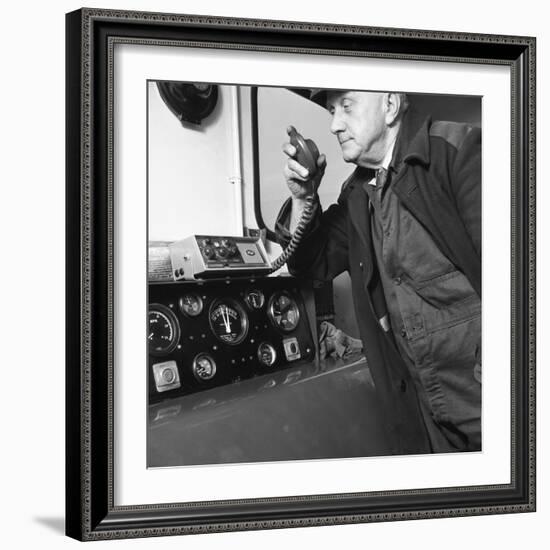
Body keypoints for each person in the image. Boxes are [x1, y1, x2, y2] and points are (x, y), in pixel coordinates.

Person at [276, 90, 481, 454]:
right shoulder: (357, 193)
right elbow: (311, 262)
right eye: (331, 111)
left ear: (389, 105)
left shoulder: (458, 150)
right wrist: (303, 198)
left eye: (346, 107)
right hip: (422, 405)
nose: (335, 124)